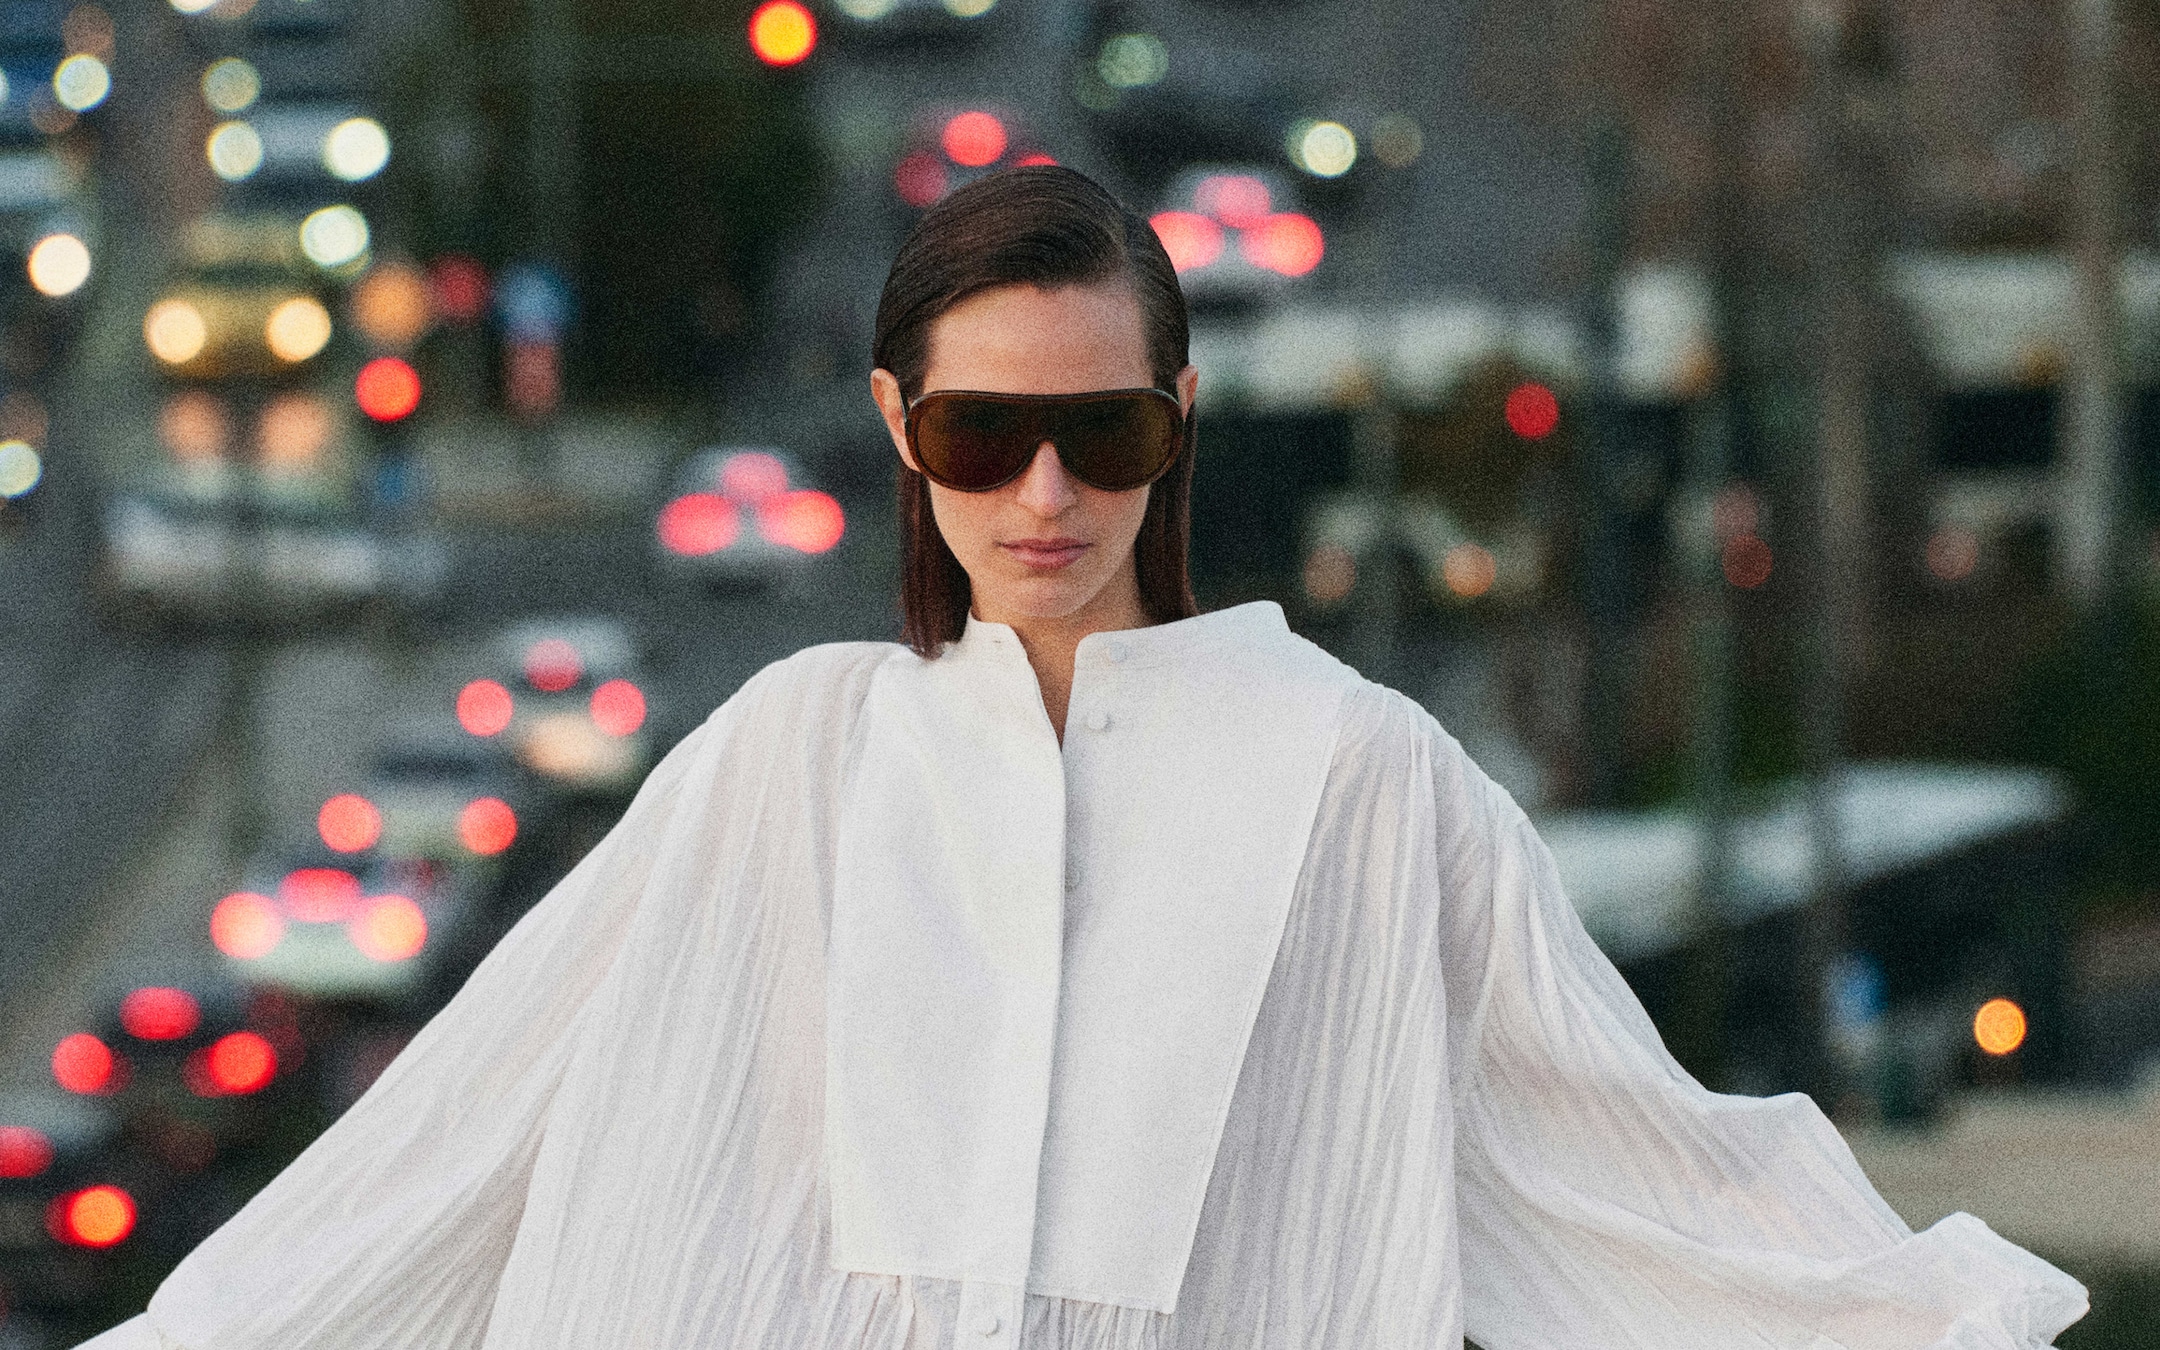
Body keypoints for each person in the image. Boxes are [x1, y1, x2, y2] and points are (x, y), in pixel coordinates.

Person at [80, 166, 2085, 1350]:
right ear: (896, 424)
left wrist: (1934, 1316)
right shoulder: (792, 760)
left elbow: (1620, 1158)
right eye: (979, 437)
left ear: (1178, 419)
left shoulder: (1357, 784)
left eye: (1101, 434)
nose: (1042, 492)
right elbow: (469, 1137)